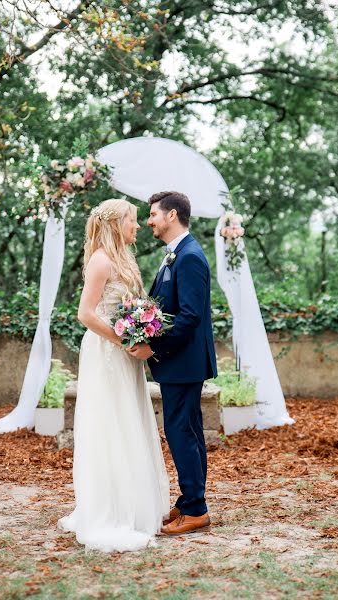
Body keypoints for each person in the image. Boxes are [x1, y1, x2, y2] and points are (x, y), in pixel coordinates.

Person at [58, 199, 170, 553]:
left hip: (125, 356)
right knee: (109, 423)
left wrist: (141, 329)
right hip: (105, 353)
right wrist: (123, 338)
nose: (137, 226)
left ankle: (134, 504)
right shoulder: (101, 260)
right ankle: (109, 510)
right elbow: (86, 314)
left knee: (129, 419)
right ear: (116, 223)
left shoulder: (125, 258)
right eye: (132, 221)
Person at [128, 191, 218, 535]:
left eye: (153, 214)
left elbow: (191, 317)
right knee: (186, 431)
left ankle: (196, 509)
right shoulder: (175, 255)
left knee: (182, 432)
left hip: (184, 362)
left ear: (172, 215)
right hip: (181, 363)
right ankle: (190, 501)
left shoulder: (190, 256)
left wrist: (155, 349)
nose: (149, 220)